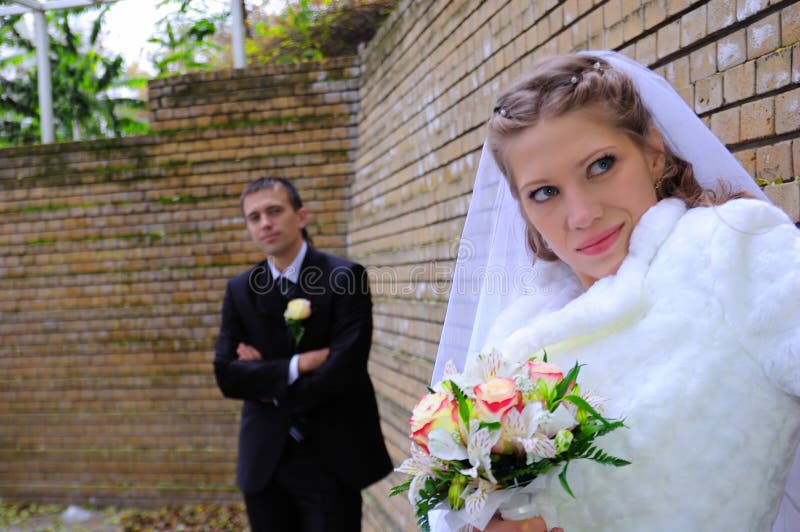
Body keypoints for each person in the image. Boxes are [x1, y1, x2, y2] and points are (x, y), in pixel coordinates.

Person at [433, 52, 800, 531]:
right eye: (545, 192)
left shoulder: (732, 251)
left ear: (653, 151)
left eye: (600, 165)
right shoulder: (516, 333)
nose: (582, 214)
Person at [213, 177, 393, 531]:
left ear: (301, 215)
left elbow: (346, 369)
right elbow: (227, 375)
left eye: (274, 211)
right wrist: (300, 364)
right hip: (266, 459)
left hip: (332, 456)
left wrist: (264, 375)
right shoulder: (239, 291)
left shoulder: (346, 278)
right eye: (254, 217)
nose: (264, 222)